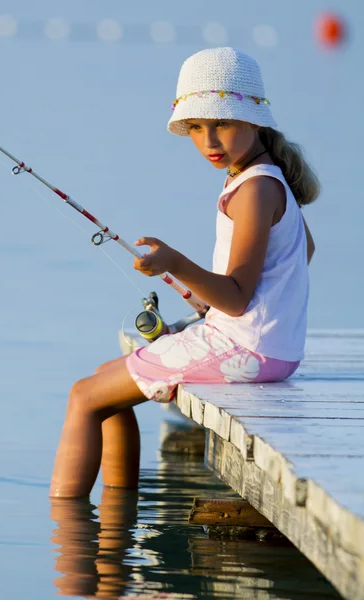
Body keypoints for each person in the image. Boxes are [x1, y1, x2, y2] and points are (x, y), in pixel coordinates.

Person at [49, 47, 319, 499]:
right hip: (268, 348)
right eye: (196, 127)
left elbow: (235, 298)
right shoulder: (262, 177)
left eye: (223, 124)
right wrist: (212, 305)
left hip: (249, 352)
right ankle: (118, 512)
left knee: (82, 396)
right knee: (104, 385)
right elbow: (301, 251)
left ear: (254, 121)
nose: (210, 140)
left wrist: (175, 264)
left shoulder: (253, 190)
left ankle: (70, 534)